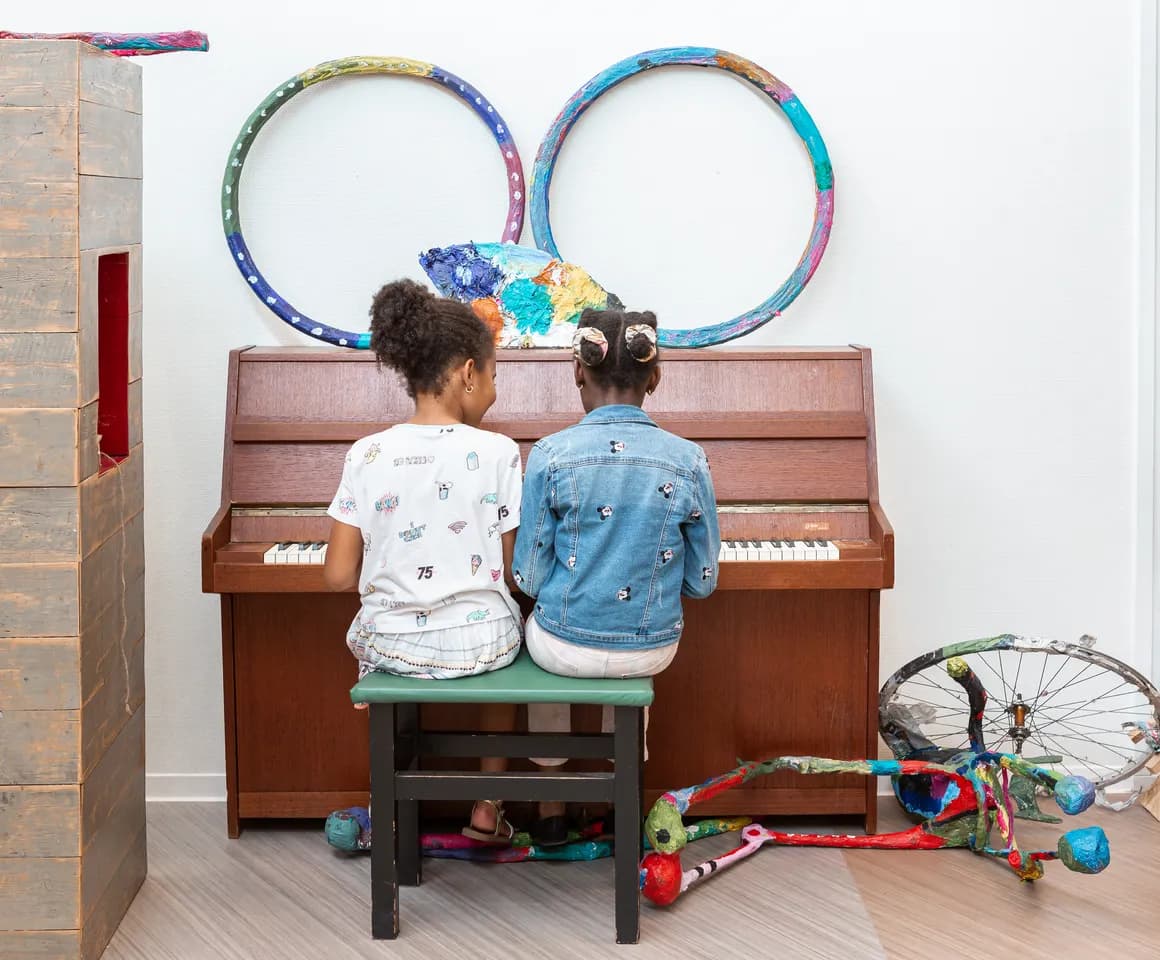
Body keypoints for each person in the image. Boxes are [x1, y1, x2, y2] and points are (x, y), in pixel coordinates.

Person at [511, 308, 721, 845]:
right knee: (626, 656)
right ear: (656, 376)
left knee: (545, 633)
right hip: (649, 647)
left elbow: (529, 579)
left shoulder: (551, 454)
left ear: (578, 371)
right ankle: (620, 797)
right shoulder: (689, 459)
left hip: (564, 646)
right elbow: (702, 582)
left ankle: (552, 807)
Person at [324, 279, 522, 844]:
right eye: (492, 377)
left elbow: (338, 575)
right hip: (485, 645)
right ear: (466, 373)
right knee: (502, 626)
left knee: (374, 636)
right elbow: (513, 573)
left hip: (394, 645)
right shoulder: (500, 452)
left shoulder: (367, 453)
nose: (493, 392)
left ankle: (383, 804)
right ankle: (488, 804)